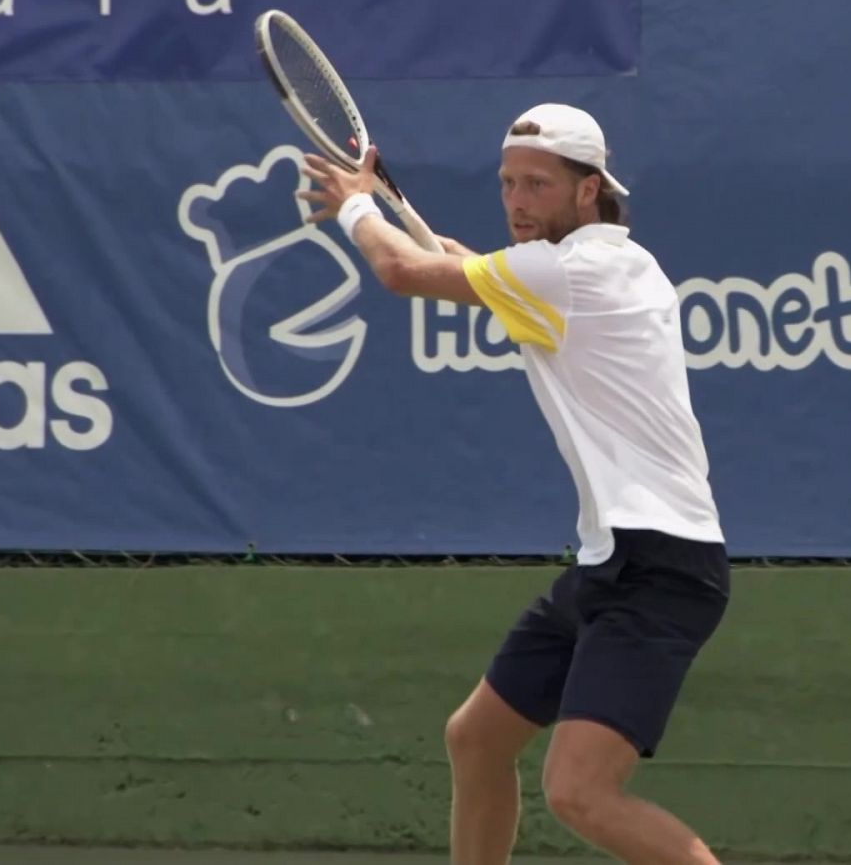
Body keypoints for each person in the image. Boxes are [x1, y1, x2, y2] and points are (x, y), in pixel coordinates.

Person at [299, 102, 731, 865]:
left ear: (589, 189)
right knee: (476, 739)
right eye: (506, 183)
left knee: (580, 793)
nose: (518, 201)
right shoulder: (600, 265)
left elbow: (403, 271)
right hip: (611, 561)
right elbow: (463, 264)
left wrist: (357, 206)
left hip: (660, 569)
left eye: (538, 183)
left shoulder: (571, 272)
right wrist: (424, 240)